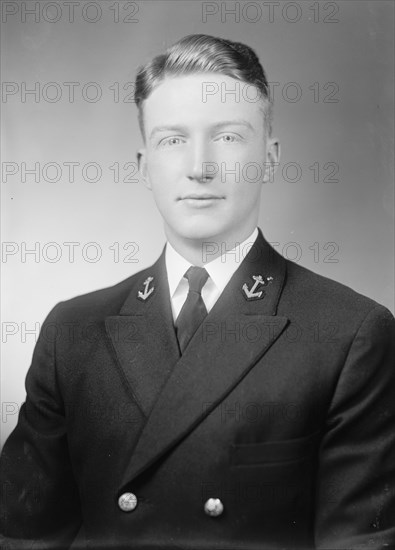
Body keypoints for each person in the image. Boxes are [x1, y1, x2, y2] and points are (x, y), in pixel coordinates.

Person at [1, 34, 394, 550]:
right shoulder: (71, 332)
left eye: (229, 137)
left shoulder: (351, 334)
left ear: (270, 158)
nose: (200, 166)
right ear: (144, 165)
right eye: (172, 140)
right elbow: (23, 538)